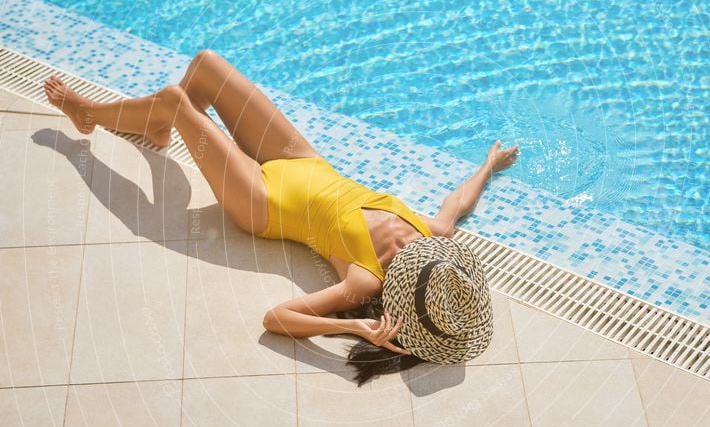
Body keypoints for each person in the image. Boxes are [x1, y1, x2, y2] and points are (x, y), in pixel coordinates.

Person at [43, 49, 519, 385]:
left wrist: (353, 326)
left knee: (173, 97)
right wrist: (488, 166)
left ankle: (93, 117)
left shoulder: (364, 281)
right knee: (207, 66)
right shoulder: (428, 235)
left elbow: (275, 318)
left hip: (261, 202)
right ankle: (159, 128)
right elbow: (456, 205)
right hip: (303, 161)